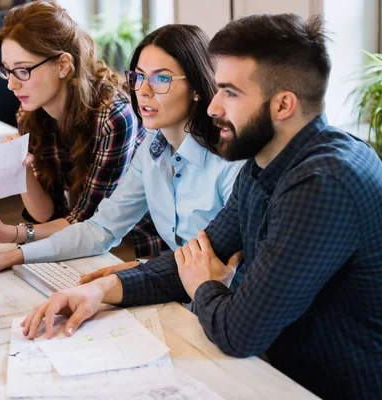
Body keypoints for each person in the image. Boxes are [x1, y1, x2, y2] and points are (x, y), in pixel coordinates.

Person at [20, 14, 382, 400]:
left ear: (283, 105)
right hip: (268, 374)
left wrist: (204, 284)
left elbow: (240, 331)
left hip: (317, 387)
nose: (212, 107)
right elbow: (198, 254)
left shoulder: (323, 183)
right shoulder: (266, 163)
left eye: (230, 92)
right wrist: (101, 291)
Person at [0, 24, 244, 274]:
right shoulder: (152, 151)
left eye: (161, 79)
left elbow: (219, 264)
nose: (143, 91)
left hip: (221, 300)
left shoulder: (231, 162)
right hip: (182, 285)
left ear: (197, 88)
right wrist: (14, 256)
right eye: (138, 77)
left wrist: (123, 278)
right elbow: (101, 229)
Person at [0, 0, 166, 263]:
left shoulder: (113, 117)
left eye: (23, 70)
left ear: (63, 65)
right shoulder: (30, 114)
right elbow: (46, 215)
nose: (12, 84)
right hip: (79, 240)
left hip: (135, 247)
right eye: (8, 71)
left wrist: (10, 235)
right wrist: (21, 169)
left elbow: (88, 223)